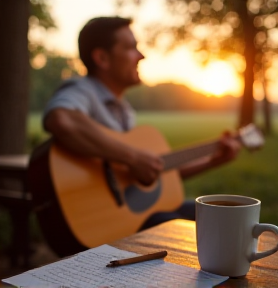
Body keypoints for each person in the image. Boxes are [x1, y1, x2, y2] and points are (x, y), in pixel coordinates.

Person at [43, 16, 241, 230]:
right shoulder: (82, 90)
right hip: (98, 222)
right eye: (130, 47)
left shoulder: (125, 111)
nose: (141, 56)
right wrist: (133, 157)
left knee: (222, 215)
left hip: (132, 214)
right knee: (190, 228)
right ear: (102, 58)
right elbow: (62, 119)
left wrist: (213, 160)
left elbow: (154, 172)